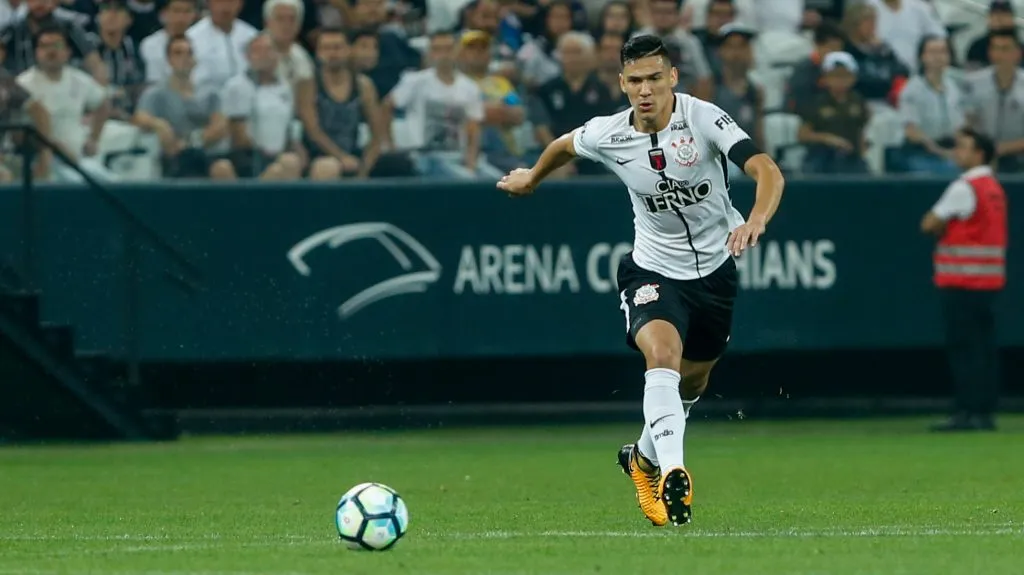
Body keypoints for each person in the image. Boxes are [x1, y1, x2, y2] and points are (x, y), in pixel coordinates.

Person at [496, 34, 785, 526]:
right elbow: (564, 145)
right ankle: (674, 470)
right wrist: (532, 177)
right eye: (636, 81)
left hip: (715, 272)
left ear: (673, 77)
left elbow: (766, 169)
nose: (646, 89)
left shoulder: (704, 118)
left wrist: (756, 218)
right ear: (623, 84)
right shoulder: (610, 132)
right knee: (663, 356)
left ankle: (642, 458)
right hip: (651, 268)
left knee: (694, 380)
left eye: (655, 78)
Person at [920, 127, 1007, 432]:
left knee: (964, 350)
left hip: (961, 281)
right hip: (988, 283)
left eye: (963, 147)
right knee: (983, 349)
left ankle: (967, 411)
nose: (957, 152)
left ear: (979, 153)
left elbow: (929, 222)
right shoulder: (993, 187)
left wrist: (942, 229)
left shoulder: (964, 187)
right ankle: (984, 410)